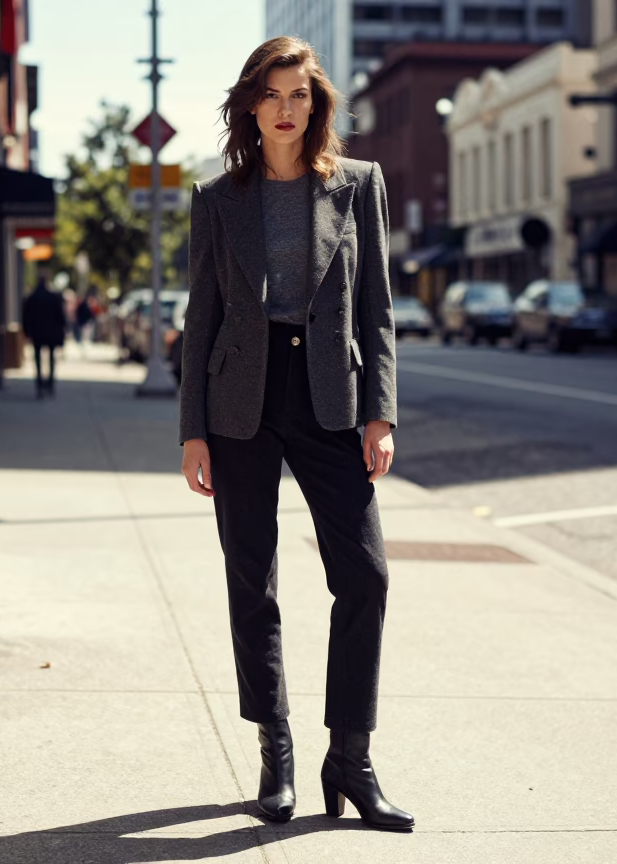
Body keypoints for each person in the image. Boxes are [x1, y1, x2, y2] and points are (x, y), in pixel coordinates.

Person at [178, 37, 412, 831]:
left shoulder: (359, 184)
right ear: (251, 105)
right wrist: (192, 430)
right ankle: (274, 748)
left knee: (366, 576)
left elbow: (378, 308)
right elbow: (201, 318)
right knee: (253, 577)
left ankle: (351, 757)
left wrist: (380, 413)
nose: (286, 109)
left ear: (317, 105)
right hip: (239, 399)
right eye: (273, 94)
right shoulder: (218, 199)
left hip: (330, 397)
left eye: (300, 95)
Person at [21, 268, 66, 398]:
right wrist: (62, 330)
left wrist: (27, 332)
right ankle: (50, 383)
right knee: (51, 357)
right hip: (50, 332)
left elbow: (26, 317)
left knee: (38, 359)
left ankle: (40, 384)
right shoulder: (53, 297)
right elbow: (60, 316)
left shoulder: (32, 297)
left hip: (37, 333)